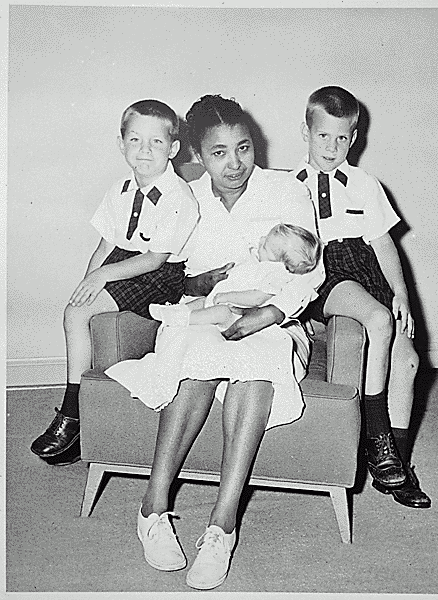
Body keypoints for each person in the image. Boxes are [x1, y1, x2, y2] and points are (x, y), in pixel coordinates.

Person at [129, 94, 322, 590]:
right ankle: (153, 507)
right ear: (195, 154)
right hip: (208, 318)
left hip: (277, 320)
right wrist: (204, 284)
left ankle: (222, 526)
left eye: (243, 148)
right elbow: (178, 275)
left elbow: (310, 271)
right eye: (218, 152)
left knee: (257, 368)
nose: (234, 163)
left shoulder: (285, 190)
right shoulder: (187, 198)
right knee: (198, 362)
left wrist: (270, 312)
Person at [30, 99, 200, 466]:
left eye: (156, 142)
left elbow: (155, 258)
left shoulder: (178, 195)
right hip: (122, 264)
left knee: (75, 315)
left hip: (160, 274)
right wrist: (87, 282)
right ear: (121, 144)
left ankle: (72, 414)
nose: (144, 150)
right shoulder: (119, 189)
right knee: (75, 312)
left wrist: (102, 276)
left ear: (173, 149)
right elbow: (106, 246)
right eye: (135, 140)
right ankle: (77, 412)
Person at [293, 85, 431, 509]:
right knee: (377, 320)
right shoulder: (287, 186)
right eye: (323, 136)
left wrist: (401, 293)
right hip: (326, 271)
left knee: (407, 360)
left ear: (353, 138)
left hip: (368, 269)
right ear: (306, 132)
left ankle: (397, 465)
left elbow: (384, 246)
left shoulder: (365, 183)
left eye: (341, 138)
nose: (332, 146)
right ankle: (377, 439)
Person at [105, 222, 323, 411]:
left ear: (279, 263)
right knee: (203, 305)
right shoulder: (257, 263)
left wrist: (225, 295)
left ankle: (182, 318)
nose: (260, 239)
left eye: (265, 245)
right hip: (220, 299)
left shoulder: (274, 274)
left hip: (240, 314)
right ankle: (174, 312)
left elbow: (257, 298)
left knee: (218, 311)